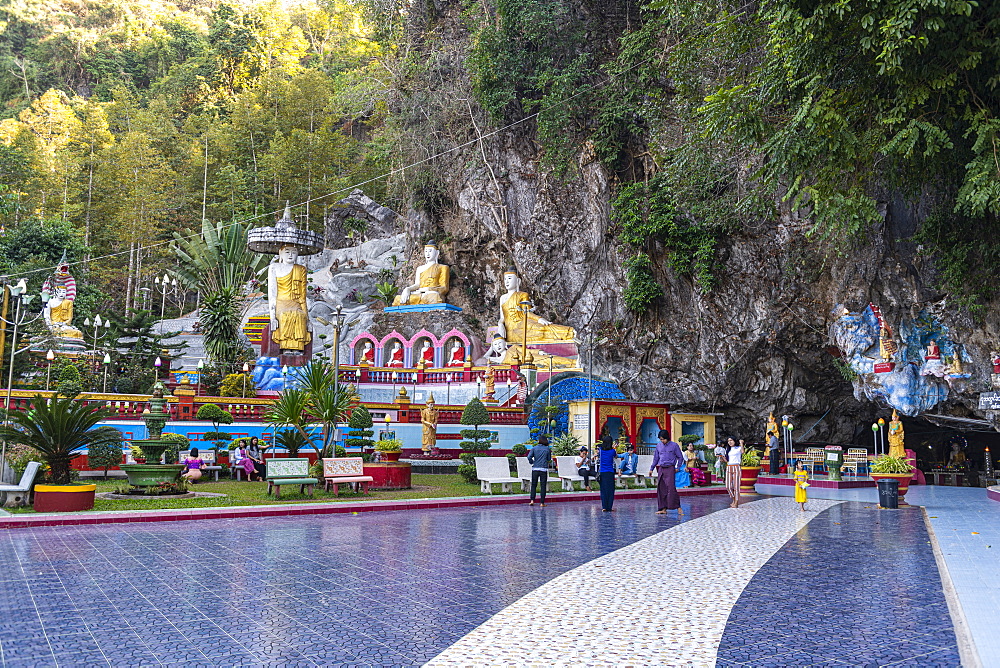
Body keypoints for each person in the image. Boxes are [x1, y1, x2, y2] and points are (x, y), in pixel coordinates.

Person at [650, 429, 685, 515]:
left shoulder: (674, 445)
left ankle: (678, 507)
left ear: (667, 438)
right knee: (661, 488)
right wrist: (651, 468)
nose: (662, 441)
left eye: (663, 439)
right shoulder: (658, 446)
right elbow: (656, 458)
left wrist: (678, 467)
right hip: (661, 468)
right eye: (660, 439)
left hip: (670, 468)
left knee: (671, 488)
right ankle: (663, 508)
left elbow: (680, 457)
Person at [527, 434, 552, 506]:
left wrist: (532, 462)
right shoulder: (547, 449)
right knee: (543, 485)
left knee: (534, 485)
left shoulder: (534, 448)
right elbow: (548, 459)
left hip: (535, 468)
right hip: (543, 469)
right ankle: (542, 502)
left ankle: (532, 500)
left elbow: (529, 457)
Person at [597, 436, 619, 511]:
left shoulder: (600, 451)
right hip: (610, 472)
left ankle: (604, 507)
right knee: (610, 490)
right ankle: (609, 507)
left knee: (603, 490)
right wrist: (615, 448)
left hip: (602, 472)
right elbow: (615, 456)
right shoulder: (612, 451)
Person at [726, 437, 743, 508]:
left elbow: (742, 452)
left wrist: (741, 443)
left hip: (736, 467)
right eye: (728, 441)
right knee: (728, 486)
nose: (730, 442)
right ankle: (733, 499)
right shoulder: (728, 449)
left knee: (736, 486)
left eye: (731, 440)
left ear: (734, 441)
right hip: (729, 467)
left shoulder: (738, 448)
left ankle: (736, 502)